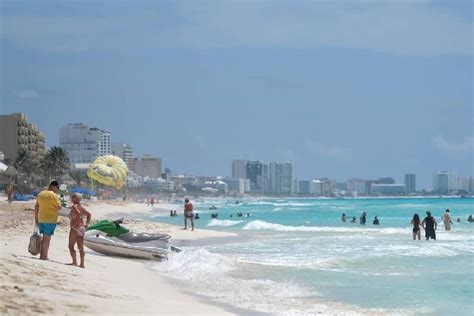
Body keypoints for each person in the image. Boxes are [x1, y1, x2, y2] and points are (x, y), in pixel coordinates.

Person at [34, 180, 62, 260]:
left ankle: (41, 255)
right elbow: (59, 207)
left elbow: (36, 207)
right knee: (47, 239)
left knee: (43, 238)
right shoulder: (53, 195)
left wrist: (36, 218)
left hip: (41, 219)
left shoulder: (40, 194)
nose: (57, 189)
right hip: (50, 220)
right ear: (53, 186)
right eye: (57, 187)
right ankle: (44, 256)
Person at [68, 193, 91, 268]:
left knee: (71, 246)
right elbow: (89, 215)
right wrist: (86, 224)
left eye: (73, 197)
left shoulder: (74, 206)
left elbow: (77, 213)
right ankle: (82, 264)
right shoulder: (82, 207)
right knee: (80, 246)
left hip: (75, 227)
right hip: (81, 228)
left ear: (77, 199)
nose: (71, 199)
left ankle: (74, 262)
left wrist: (77, 221)